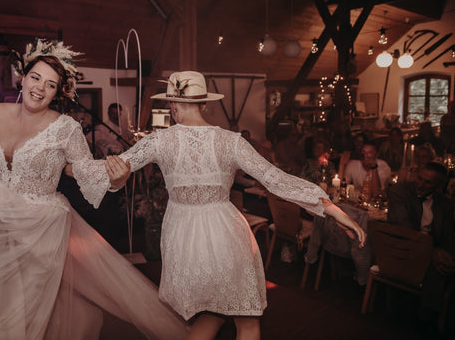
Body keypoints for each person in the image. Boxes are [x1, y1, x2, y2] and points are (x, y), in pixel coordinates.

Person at [76, 71, 366, 340]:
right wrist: (330, 208)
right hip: (226, 233)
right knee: (247, 320)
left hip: (182, 238)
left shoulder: (158, 141)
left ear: (173, 106)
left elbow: (111, 173)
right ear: (204, 104)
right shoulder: (231, 142)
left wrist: (77, 170)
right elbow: (276, 180)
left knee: (212, 315)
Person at [0, 38, 187, 339]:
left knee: (27, 309)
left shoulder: (66, 128)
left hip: (41, 228)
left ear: (57, 92)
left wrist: (113, 179)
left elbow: (82, 168)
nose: (39, 88)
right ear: (22, 78)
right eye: (35, 78)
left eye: (50, 85)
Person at [387, 161, 455, 328]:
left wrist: (449, 256)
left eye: (428, 182)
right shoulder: (399, 192)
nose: (421, 184)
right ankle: (427, 320)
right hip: (403, 247)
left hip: (431, 249)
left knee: (444, 265)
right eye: (420, 178)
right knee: (436, 269)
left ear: (439, 185)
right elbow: (405, 230)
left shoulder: (444, 204)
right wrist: (432, 252)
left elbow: (447, 236)